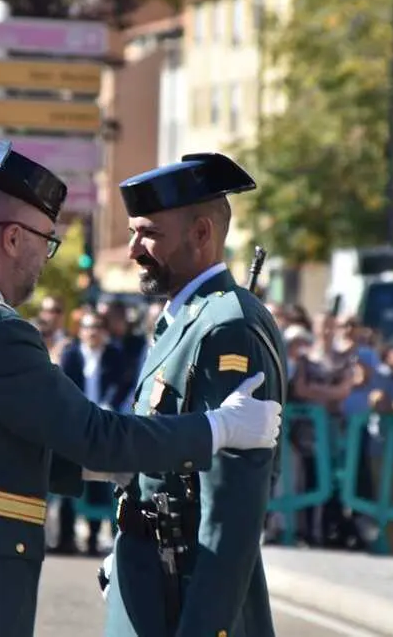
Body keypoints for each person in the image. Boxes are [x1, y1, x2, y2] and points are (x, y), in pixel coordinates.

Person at [0, 140, 283, 637]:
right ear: (11, 239)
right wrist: (220, 428)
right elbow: (95, 433)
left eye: (147, 234)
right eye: (46, 241)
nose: (45, 260)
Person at [101, 153, 288, 637]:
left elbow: (232, 510)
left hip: (183, 590)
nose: (133, 249)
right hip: (150, 576)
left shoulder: (226, 328)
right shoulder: (184, 320)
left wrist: (204, 627)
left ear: (201, 234)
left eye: (149, 234)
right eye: (132, 233)